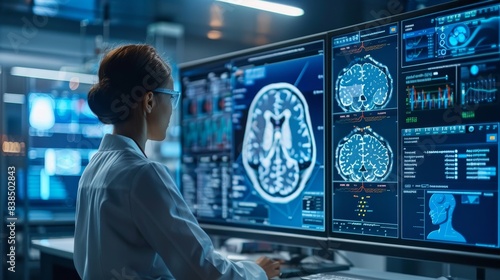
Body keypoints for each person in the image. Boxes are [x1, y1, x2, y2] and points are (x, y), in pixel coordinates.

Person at [73, 44, 281, 279]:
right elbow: (204, 272)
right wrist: (257, 271)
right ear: (149, 101)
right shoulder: (143, 174)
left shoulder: (93, 170)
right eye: (171, 97)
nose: (172, 110)